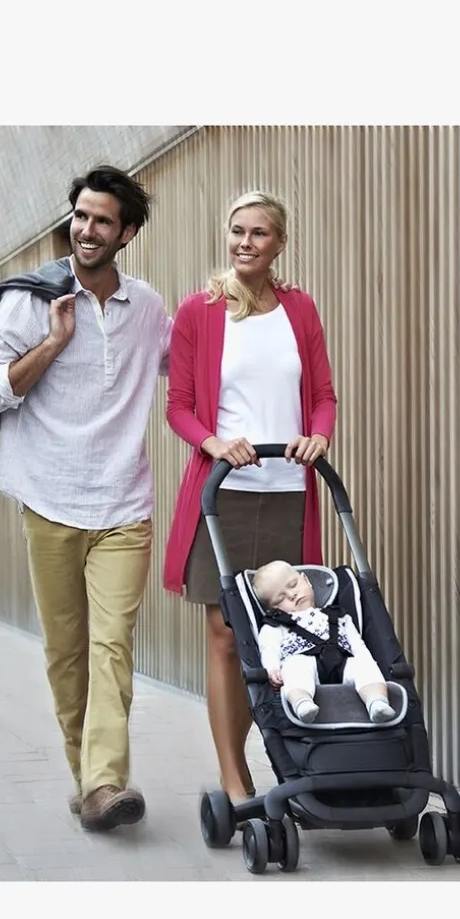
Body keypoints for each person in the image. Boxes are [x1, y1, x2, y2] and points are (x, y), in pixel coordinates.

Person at [0, 165, 172, 832]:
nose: (86, 230)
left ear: (127, 233)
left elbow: (190, 362)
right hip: (49, 499)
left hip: (123, 505)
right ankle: (86, 779)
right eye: (80, 216)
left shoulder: (147, 308)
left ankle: (106, 782)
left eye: (102, 221)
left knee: (112, 645)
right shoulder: (30, 301)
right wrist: (54, 343)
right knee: (67, 652)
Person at [162, 190, 337, 802]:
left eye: (259, 233)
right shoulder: (199, 312)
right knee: (225, 633)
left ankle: (291, 756)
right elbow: (179, 407)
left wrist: (319, 435)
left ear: (279, 243)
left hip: (288, 492)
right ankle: (234, 777)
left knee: (284, 631)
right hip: (226, 496)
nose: (245, 242)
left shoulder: (300, 310)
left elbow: (323, 396)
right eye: (238, 230)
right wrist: (214, 443)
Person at [253, 560, 396, 724]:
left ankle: (377, 702)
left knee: (364, 666)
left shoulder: (339, 616)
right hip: (303, 661)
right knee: (293, 668)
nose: (292, 595)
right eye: (281, 599)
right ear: (273, 609)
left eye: (293, 585)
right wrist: (271, 668)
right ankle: (302, 703)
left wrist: (367, 661)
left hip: (343, 662)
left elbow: (358, 645)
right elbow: (268, 648)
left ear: (306, 580)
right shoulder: (276, 625)